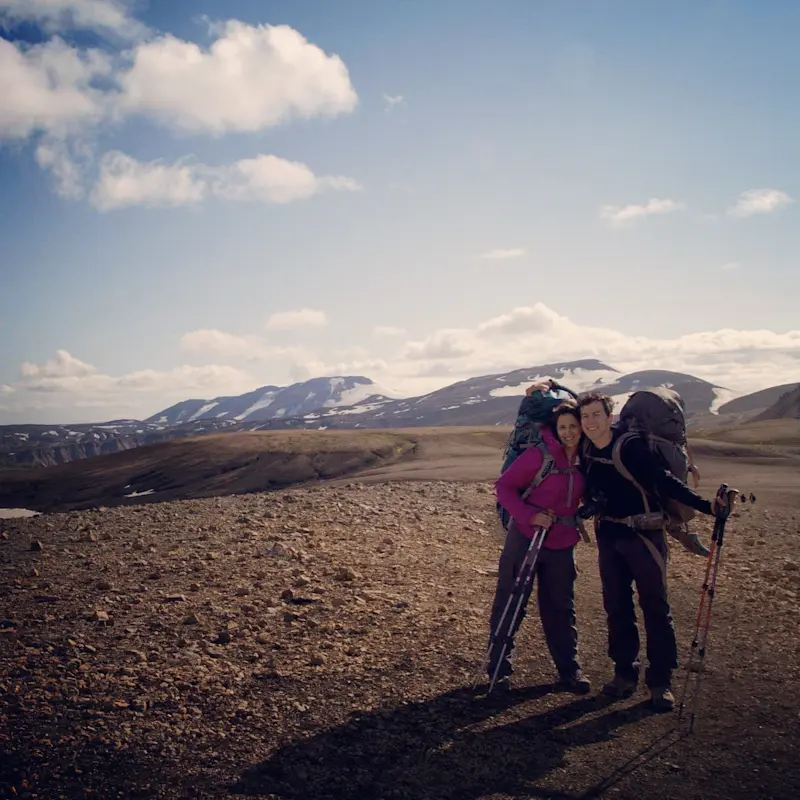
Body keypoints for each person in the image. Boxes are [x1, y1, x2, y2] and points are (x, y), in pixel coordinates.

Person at [577, 391, 733, 712]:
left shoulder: (630, 446)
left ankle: (660, 682)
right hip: (609, 534)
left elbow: (664, 482)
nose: (590, 422)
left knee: (655, 607)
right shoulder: (588, 448)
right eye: (585, 416)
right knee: (616, 607)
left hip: (644, 536)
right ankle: (624, 674)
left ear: (610, 417)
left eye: (596, 415)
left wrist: (706, 506)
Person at [488, 399, 591, 693]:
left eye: (574, 426)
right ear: (555, 429)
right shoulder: (539, 456)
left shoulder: (585, 460)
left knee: (560, 606)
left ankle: (569, 669)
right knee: (511, 600)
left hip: (562, 542)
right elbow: (504, 487)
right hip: (525, 537)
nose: (569, 432)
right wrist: (529, 516)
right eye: (563, 427)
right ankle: (498, 666)